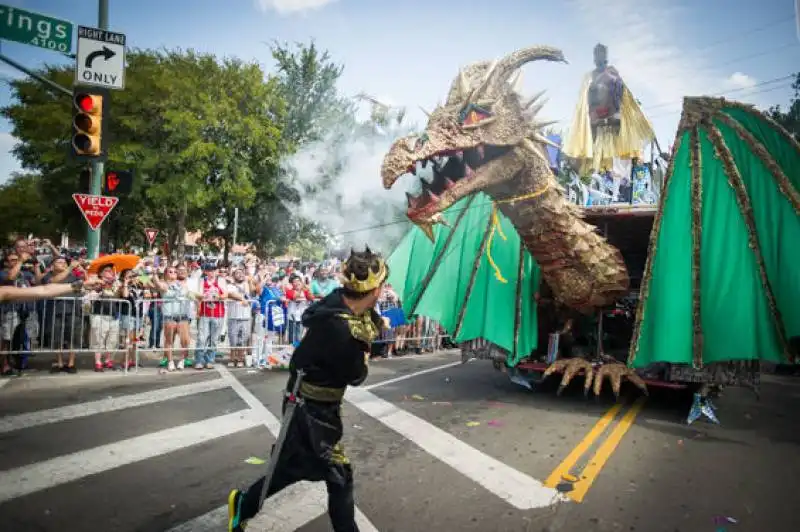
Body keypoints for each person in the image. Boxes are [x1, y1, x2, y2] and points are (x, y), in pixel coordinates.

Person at [227, 247, 390, 532]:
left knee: (293, 467)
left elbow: (363, 319)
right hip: (311, 410)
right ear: (376, 290)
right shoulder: (342, 331)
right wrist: (367, 350)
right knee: (338, 474)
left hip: (311, 402)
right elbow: (356, 376)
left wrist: (376, 324)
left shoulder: (337, 301)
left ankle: (244, 503)